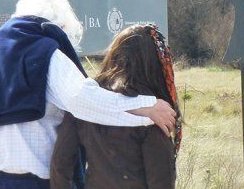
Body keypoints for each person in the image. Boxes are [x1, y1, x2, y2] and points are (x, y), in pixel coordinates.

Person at [0, 0, 177, 189]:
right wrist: (146, 107)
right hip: (33, 183)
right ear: (61, 25)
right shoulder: (43, 51)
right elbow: (81, 99)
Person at [50, 24, 181, 189]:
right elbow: (161, 181)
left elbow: (60, 166)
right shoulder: (155, 112)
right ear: (154, 63)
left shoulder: (86, 104)